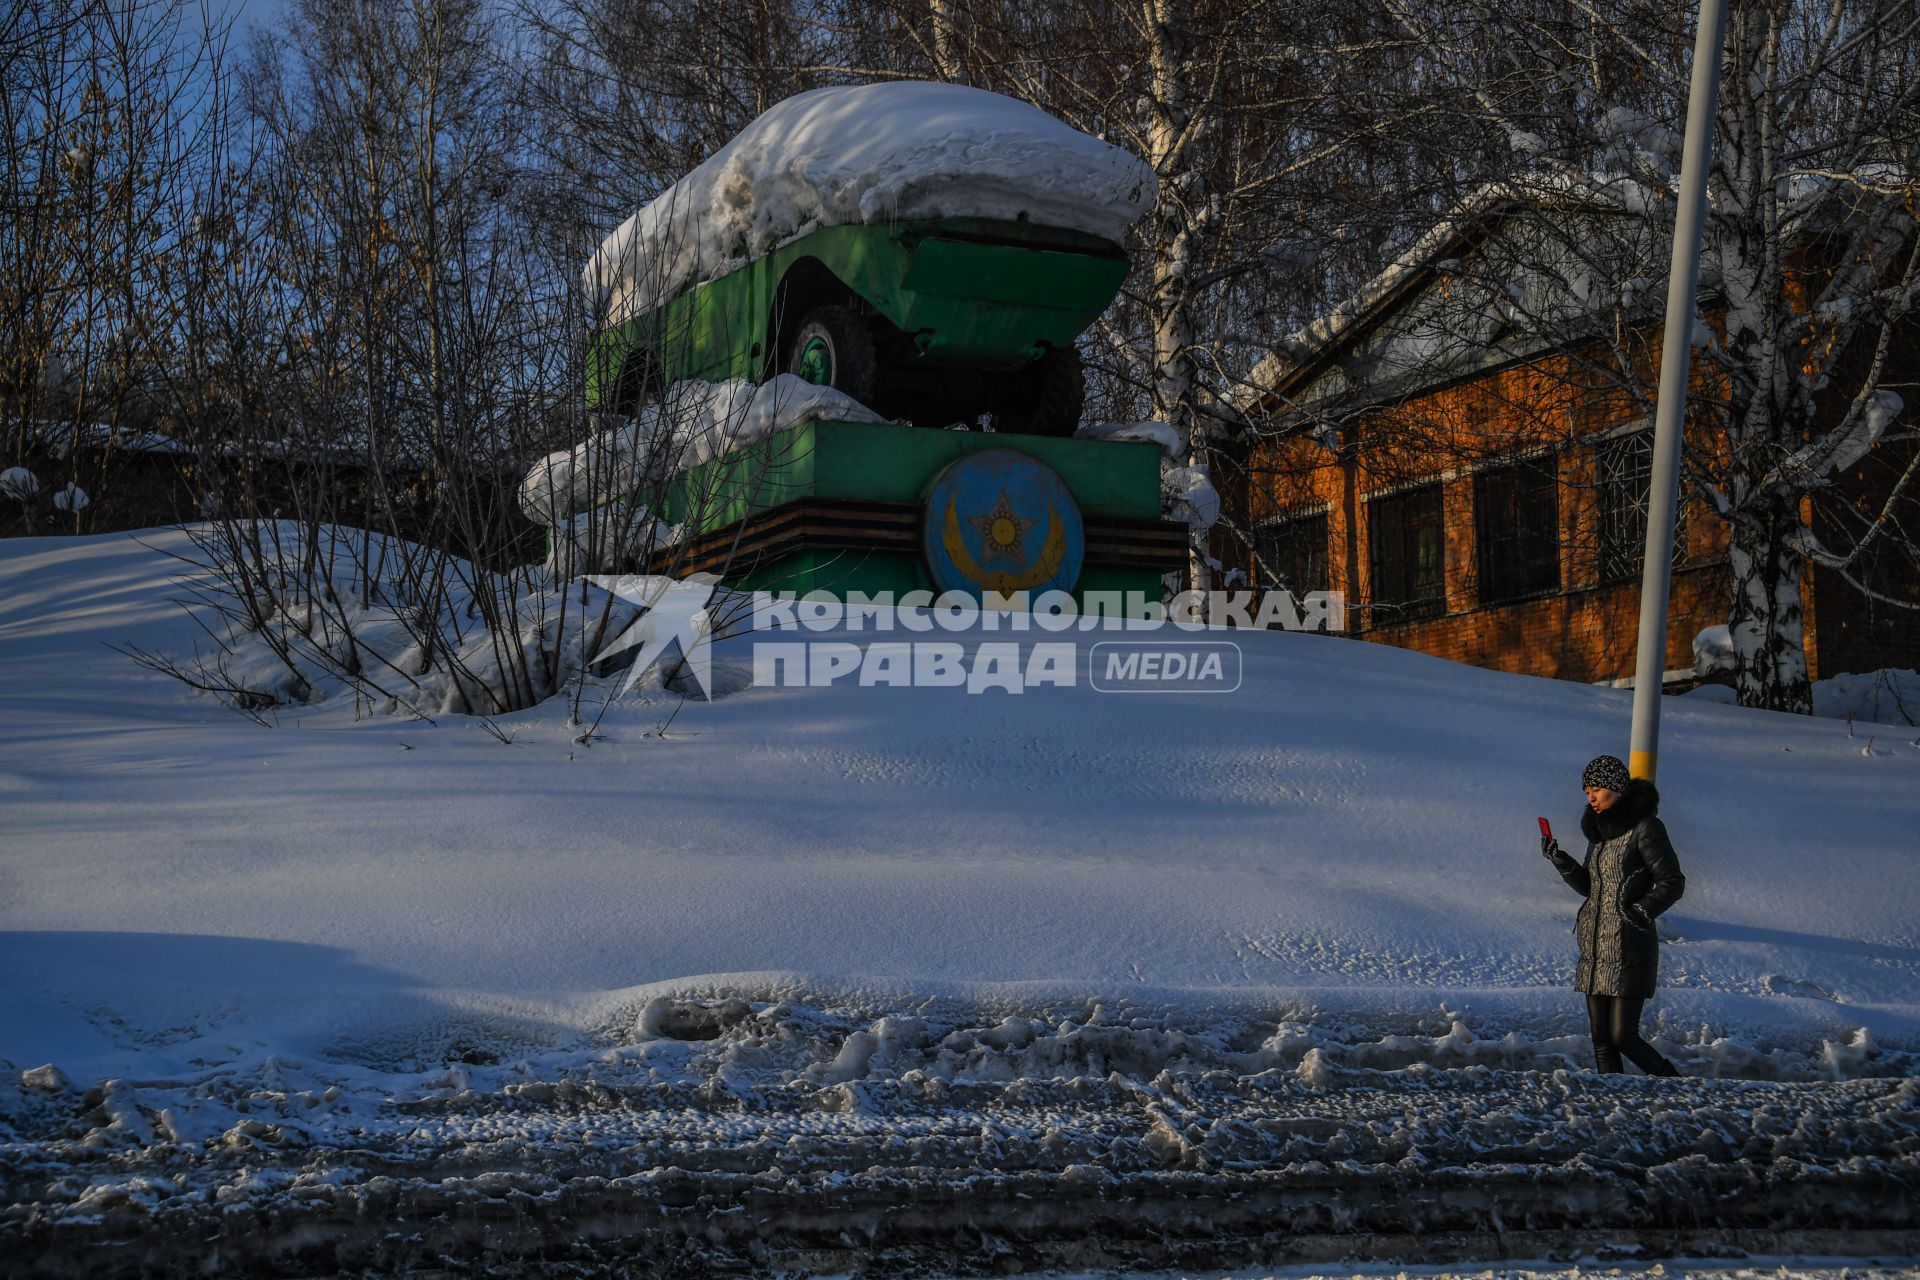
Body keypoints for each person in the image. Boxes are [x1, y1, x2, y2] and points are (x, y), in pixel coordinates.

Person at [1541, 754, 1686, 1076]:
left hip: (1628, 945)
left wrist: (1638, 914)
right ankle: (1612, 1102)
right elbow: (1591, 888)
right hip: (1594, 946)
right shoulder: (1602, 834)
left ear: (1617, 788)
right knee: (1601, 1040)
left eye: (1596, 789)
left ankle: (1678, 1088)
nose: (1590, 797)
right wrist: (1561, 860)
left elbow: (1672, 882)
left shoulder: (1646, 828)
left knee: (1623, 1037)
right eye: (1586, 792)